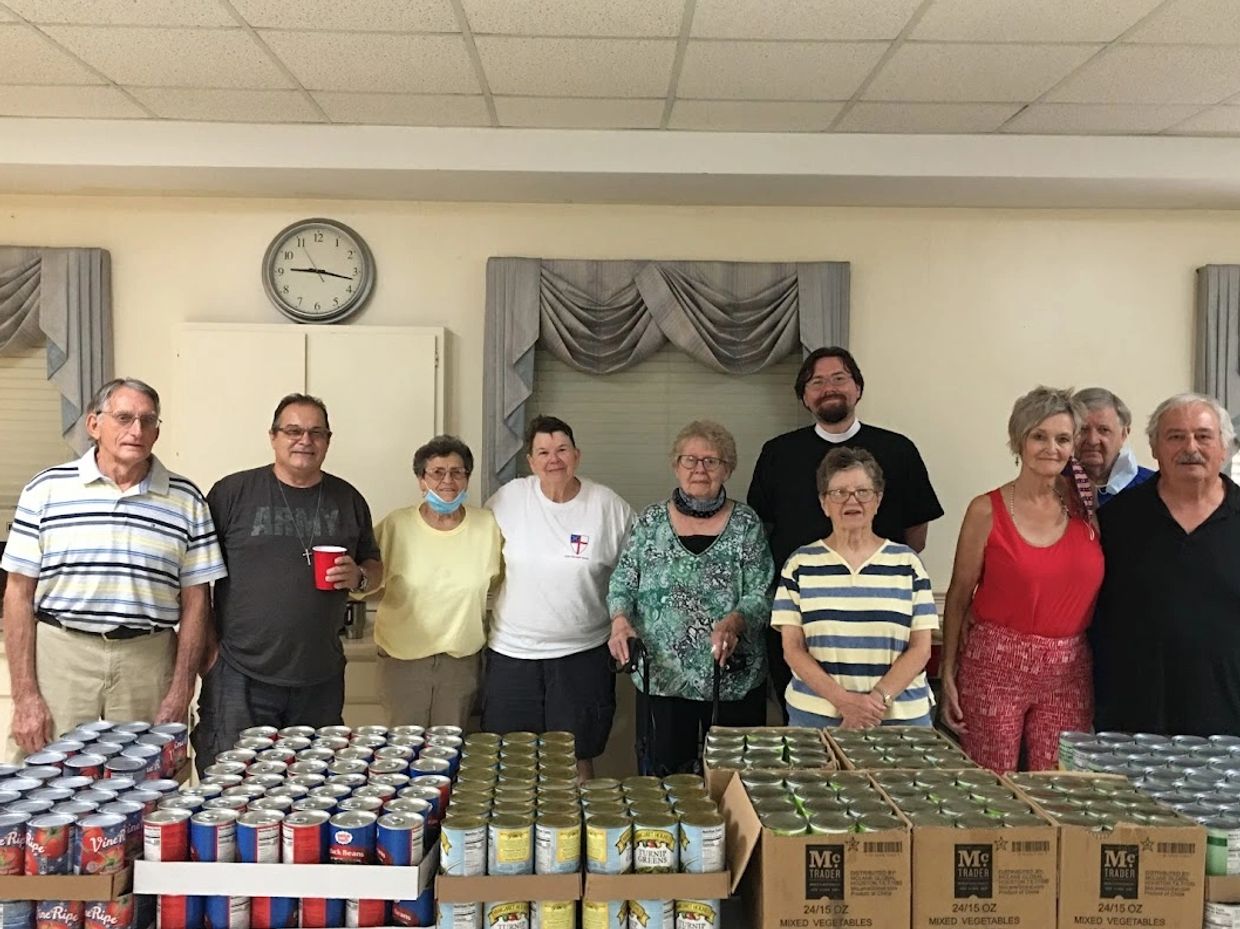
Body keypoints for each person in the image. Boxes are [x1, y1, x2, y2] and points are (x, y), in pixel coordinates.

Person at [0, 378, 226, 756]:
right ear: (94, 425)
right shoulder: (45, 490)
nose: (136, 430)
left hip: (148, 660)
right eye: (124, 417)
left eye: (148, 420)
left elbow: (197, 604)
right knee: (45, 779)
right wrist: (24, 697)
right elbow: (18, 594)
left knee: (147, 783)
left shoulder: (187, 500)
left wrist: (181, 692)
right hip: (62, 657)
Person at [748, 347, 943, 716]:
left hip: (885, 628)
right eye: (816, 382)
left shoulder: (899, 450)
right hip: (804, 620)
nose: (828, 388)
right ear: (804, 396)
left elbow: (917, 531)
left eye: (839, 378)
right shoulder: (777, 454)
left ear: (857, 388)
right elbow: (763, 531)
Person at [192, 393, 382, 772]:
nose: (305, 440)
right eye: (293, 430)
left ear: (328, 441)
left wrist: (359, 576)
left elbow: (374, 565)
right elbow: (196, 578)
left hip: (320, 677)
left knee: (312, 790)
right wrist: (208, 652)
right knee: (231, 784)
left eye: (316, 432)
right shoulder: (232, 493)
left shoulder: (347, 498)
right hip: (240, 673)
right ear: (273, 436)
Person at [941, 387, 1103, 771]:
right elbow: (959, 595)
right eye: (1039, 436)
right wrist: (948, 670)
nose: (1052, 448)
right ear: (1019, 441)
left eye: (1063, 439)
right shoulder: (986, 510)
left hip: (1069, 668)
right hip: (995, 663)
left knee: (1057, 788)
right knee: (992, 787)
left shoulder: (1087, 504)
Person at [607, 421, 773, 775]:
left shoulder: (746, 524)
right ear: (675, 466)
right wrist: (620, 621)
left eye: (711, 461)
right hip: (662, 677)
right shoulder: (650, 520)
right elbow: (623, 581)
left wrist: (734, 621)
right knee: (664, 784)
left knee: (734, 782)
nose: (700, 469)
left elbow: (760, 593)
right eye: (690, 460)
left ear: (727, 468)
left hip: (731, 678)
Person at [484, 415, 634, 779]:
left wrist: (623, 618)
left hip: (581, 656)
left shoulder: (607, 506)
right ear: (531, 462)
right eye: (544, 452)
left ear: (577, 455)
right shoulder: (508, 499)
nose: (554, 459)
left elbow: (636, 569)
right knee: (514, 762)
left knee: (576, 760)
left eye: (562, 449)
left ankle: (576, 835)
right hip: (512, 655)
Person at [1093, 392, 1240, 735]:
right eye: (1175, 436)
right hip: (1131, 720)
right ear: (1155, 448)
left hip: (1230, 723)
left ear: (1225, 447)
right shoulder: (1116, 519)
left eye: (1203, 436)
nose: (1190, 447)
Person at [770, 447, 936, 728]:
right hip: (817, 716)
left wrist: (875, 702)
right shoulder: (799, 564)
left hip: (899, 718)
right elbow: (793, 649)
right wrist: (844, 701)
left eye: (863, 491)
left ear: (878, 499)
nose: (852, 500)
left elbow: (921, 649)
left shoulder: (908, 563)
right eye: (839, 492)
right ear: (824, 502)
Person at [364, 435, 502, 729]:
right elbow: (362, 580)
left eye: (457, 472)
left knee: (449, 755)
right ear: (421, 480)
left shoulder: (487, 526)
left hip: (460, 664)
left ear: (467, 478)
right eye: (437, 472)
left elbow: (499, 581)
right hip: (403, 662)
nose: (447, 481)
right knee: (402, 756)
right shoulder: (396, 525)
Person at [1073, 387, 1155, 506]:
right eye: (1082, 429)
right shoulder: (1052, 486)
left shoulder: (1153, 487)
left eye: (1103, 430)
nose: (1092, 440)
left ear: (1124, 434)